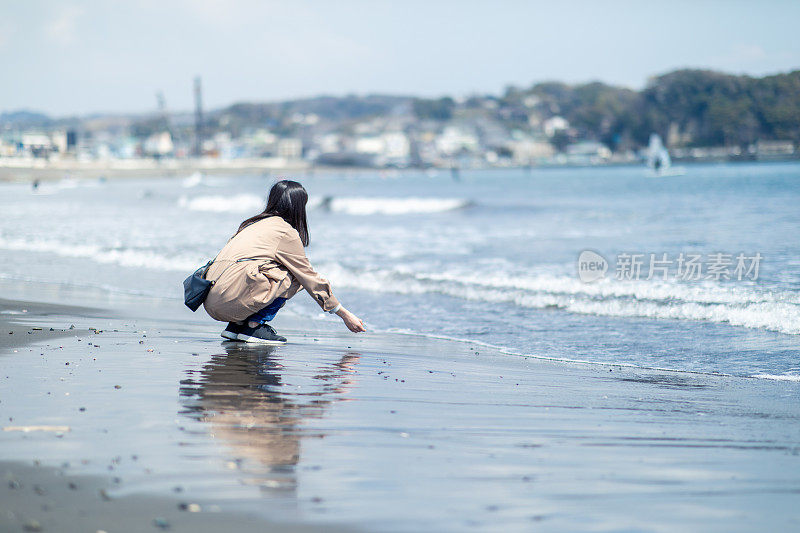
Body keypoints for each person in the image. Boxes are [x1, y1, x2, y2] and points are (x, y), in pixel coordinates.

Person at [203, 180, 366, 344]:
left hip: (211, 301)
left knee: (267, 269)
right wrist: (344, 314)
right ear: (298, 206)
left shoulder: (251, 224)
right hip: (231, 302)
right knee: (296, 276)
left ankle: (237, 326)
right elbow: (309, 277)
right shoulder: (285, 231)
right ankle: (254, 325)